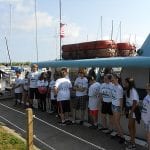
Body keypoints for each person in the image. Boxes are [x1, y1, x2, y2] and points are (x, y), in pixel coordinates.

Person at [124, 77, 139, 150]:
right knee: (132, 127)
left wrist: (131, 112)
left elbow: (135, 102)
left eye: (126, 82)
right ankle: (132, 140)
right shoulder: (128, 90)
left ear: (129, 83)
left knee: (130, 126)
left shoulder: (133, 91)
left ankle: (133, 144)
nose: (125, 84)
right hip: (130, 109)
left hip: (133, 110)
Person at [111, 74, 125, 143]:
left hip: (117, 107)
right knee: (115, 122)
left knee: (117, 122)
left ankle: (122, 137)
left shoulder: (119, 88)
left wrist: (121, 110)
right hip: (113, 105)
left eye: (113, 78)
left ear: (117, 79)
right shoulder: (113, 86)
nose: (111, 79)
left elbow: (121, 100)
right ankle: (119, 134)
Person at [141, 83, 150, 149]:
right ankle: (148, 144)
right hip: (146, 119)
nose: (145, 88)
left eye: (147, 87)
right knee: (147, 134)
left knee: (148, 135)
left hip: (149, 120)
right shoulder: (147, 96)